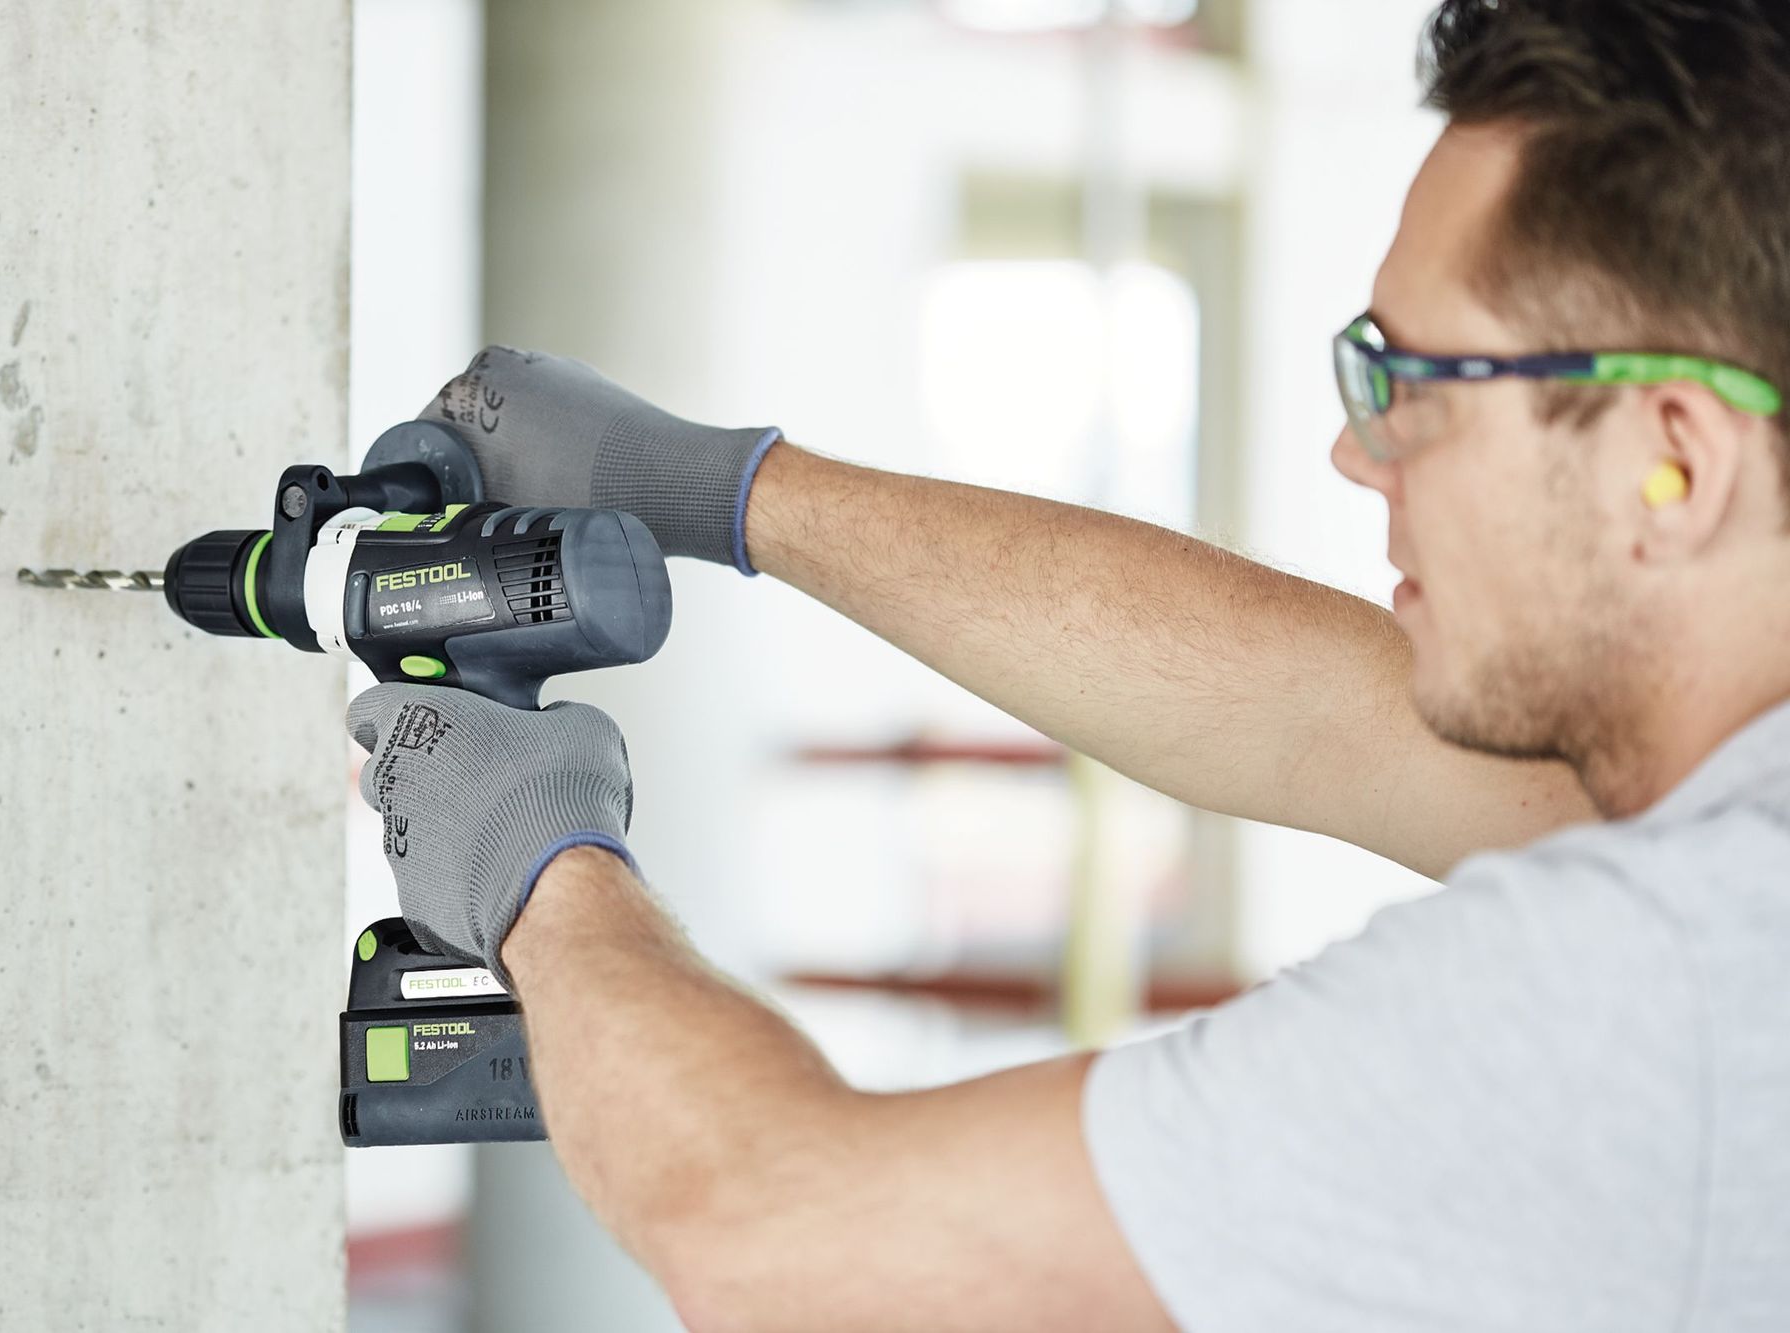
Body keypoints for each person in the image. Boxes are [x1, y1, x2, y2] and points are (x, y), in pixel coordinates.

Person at [345, 1, 1790, 1327]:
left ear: (1674, 458)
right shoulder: (1732, 835)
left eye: (1419, 386)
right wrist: (715, 489)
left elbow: (783, 1236)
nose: (1357, 452)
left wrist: (540, 869)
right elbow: (1311, 711)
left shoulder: (1650, 990)